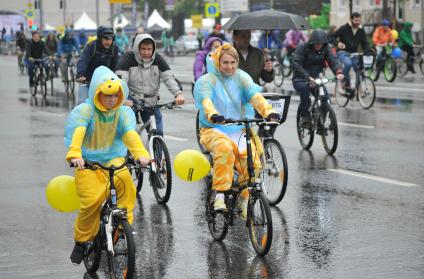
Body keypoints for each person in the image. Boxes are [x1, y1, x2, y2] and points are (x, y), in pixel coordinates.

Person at [65, 65, 150, 264]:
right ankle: (82, 241)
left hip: (113, 158)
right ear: (97, 93)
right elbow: (77, 133)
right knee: (92, 201)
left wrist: (141, 154)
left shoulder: (122, 113)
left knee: (126, 182)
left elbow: (129, 134)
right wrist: (75, 153)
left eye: (115, 95)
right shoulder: (86, 111)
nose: (111, 99)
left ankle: (122, 223)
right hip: (87, 161)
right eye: (107, 95)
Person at [193, 43, 280, 217]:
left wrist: (269, 111)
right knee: (224, 150)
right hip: (213, 128)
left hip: (238, 128)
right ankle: (219, 194)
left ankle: (245, 199)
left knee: (254, 163)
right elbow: (206, 101)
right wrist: (214, 115)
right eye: (225, 62)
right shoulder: (207, 80)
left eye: (233, 62)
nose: (230, 66)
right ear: (217, 62)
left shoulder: (242, 77)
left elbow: (255, 97)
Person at [116, 33, 184, 135]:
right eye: (143, 49)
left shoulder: (158, 59)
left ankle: (156, 146)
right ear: (136, 48)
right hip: (131, 100)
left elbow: (168, 77)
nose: (146, 52)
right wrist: (122, 99)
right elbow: (121, 80)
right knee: (128, 132)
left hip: (151, 101)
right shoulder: (128, 58)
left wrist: (178, 94)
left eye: (149, 49)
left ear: (153, 49)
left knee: (158, 133)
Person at [292, 29, 344, 128]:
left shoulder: (325, 48)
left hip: (316, 79)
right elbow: (296, 64)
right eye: (316, 44)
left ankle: (322, 121)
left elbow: (333, 59)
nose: (318, 46)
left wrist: (338, 71)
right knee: (305, 92)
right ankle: (305, 117)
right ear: (312, 42)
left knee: (325, 97)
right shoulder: (302, 47)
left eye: (320, 44)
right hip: (301, 78)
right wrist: (307, 77)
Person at [76, 26, 120, 104]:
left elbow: (117, 64)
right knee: (82, 104)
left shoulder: (114, 48)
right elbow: (83, 60)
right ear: (100, 38)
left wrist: (119, 75)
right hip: (88, 81)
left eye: (110, 39)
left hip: (106, 82)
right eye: (105, 39)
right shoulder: (91, 46)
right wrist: (80, 74)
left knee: (116, 104)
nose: (108, 41)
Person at [330, 12, 370, 97]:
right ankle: (342, 83)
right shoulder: (344, 28)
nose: (358, 22)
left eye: (359, 20)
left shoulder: (361, 30)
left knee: (359, 68)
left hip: (354, 54)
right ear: (351, 20)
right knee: (348, 64)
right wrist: (337, 43)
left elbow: (365, 43)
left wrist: (369, 50)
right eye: (356, 20)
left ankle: (359, 89)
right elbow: (331, 36)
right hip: (342, 52)